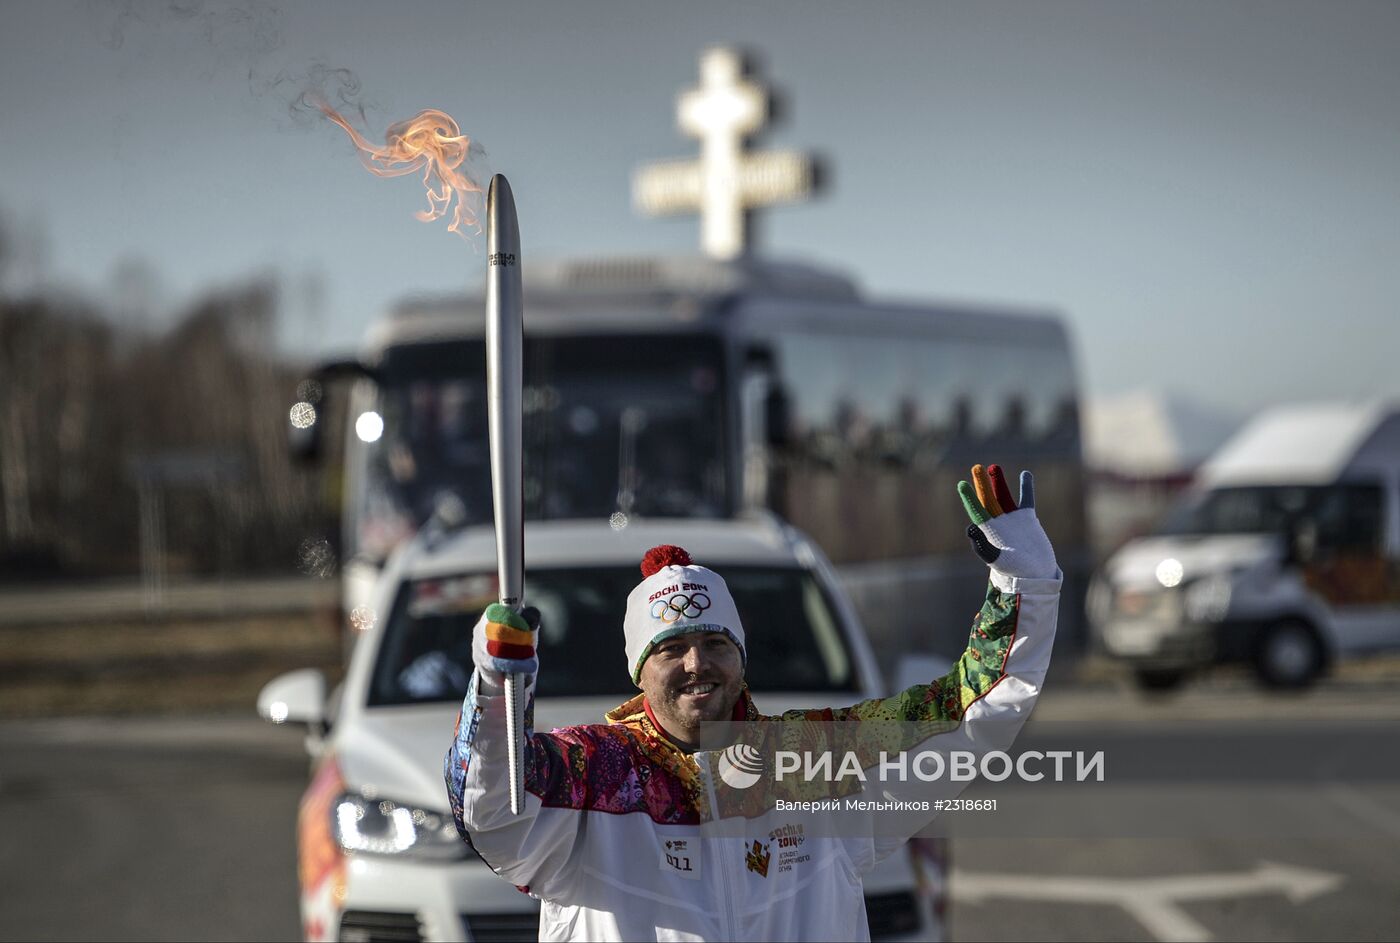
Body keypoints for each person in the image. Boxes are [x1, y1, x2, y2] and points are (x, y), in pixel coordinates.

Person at [445, 463, 1061, 941]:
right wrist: (499, 686)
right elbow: (494, 817)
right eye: (671, 649)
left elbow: (969, 713)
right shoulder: (592, 774)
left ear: (741, 657)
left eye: (715, 643)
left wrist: (1024, 583)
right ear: (640, 669)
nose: (696, 664)